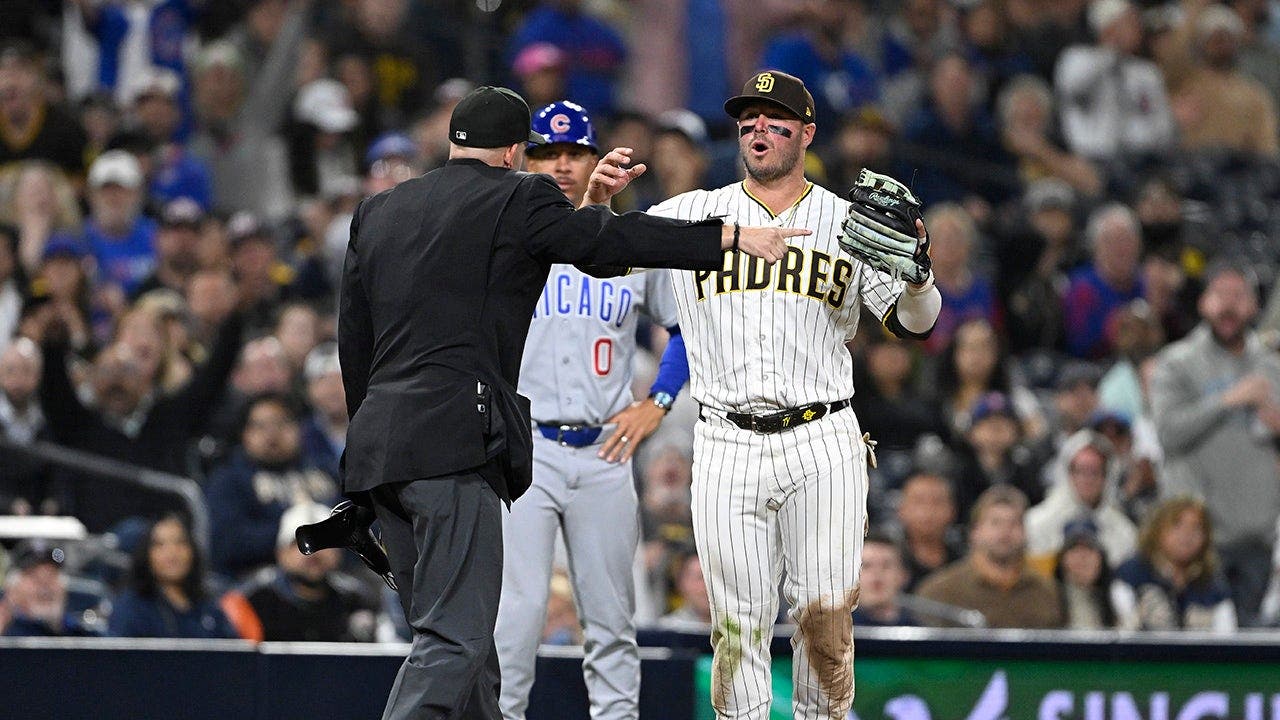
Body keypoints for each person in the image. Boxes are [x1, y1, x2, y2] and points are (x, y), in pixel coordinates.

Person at [329, 85, 799, 720]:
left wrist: (366, 440)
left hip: (382, 450)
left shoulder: (380, 210)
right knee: (457, 637)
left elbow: (354, 340)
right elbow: (614, 242)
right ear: (514, 152)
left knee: (464, 643)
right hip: (453, 447)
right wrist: (729, 236)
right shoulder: (519, 196)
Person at [643, 70, 941, 719]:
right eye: (747, 120)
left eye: (774, 120)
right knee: (736, 626)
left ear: (806, 133)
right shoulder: (693, 214)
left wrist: (919, 277)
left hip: (822, 437)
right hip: (725, 439)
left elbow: (914, 324)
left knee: (825, 621)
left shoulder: (846, 222)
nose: (758, 130)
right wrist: (589, 200)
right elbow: (602, 248)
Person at [494, 100, 698, 720]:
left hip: (606, 453)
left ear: (594, 160)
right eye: (547, 153)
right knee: (516, 620)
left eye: (574, 153)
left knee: (612, 620)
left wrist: (658, 402)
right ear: (524, 161)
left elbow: (687, 328)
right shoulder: (503, 238)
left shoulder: (626, 242)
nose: (561, 165)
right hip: (526, 452)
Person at [1149, 263, 1280, 626]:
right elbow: (1168, 433)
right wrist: (1227, 400)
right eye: (1220, 295)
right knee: (1198, 645)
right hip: (1197, 542)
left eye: (1238, 296)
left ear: (1254, 306)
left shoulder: (1272, 368)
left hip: (1258, 537)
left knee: (1256, 648)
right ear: (1203, 303)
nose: (1229, 305)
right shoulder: (1176, 363)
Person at [225, 502, 383, 642]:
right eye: (299, 543)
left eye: (325, 541)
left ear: (339, 552)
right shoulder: (253, 600)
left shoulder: (356, 601)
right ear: (281, 553)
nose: (314, 552)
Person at [916, 485, 1064, 629]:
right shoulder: (939, 592)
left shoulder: (1047, 591)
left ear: (1025, 532)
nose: (1005, 532)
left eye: (1014, 523)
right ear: (974, 531)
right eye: (995, 523)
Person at [1112, 496, 1237, 632]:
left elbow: (1226, 635)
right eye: (1177, 525)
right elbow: (1124, 629)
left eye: (1196, 528)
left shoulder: (1214, 587)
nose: (1187, 534)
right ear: (1157, 530)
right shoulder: (1131, 575)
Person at [108, 514, 238, 639]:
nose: (172, 553)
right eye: (160, 544)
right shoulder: (131, 607)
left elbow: (233, 649)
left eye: (180, 542)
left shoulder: (209, 607)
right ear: (146, 555)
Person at [2, 539, 98, 637]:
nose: (45, 585)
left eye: (51, 576)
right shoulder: (6, 633)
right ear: (12, 589)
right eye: (34, 577)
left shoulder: (83, 634)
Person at [852, 533, 918, 627]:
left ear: (904, 575)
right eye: (866, 566)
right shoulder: (835, 630)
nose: (877, 573)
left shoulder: (921, 631)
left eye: (886, 566)